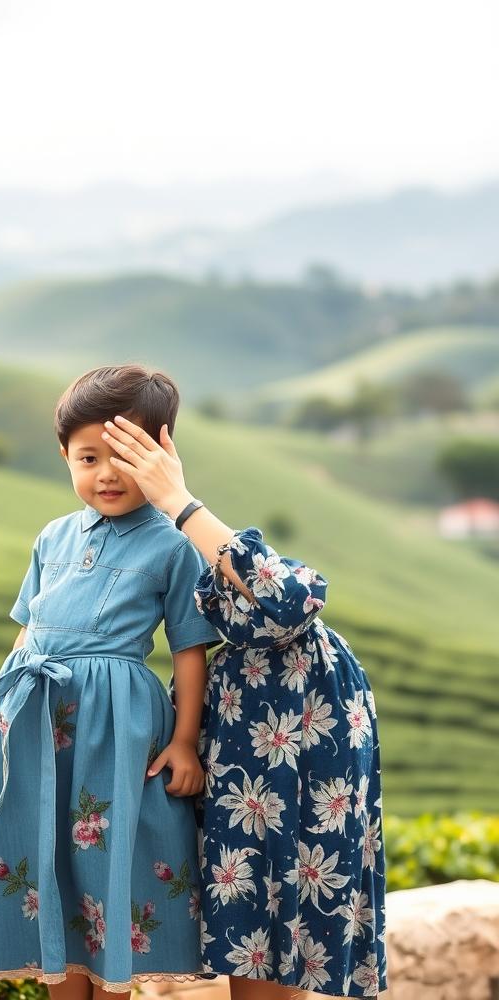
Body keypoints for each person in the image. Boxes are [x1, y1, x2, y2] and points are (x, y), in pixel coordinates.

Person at [0, 365, 222, 998]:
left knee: (103, 866)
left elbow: (188, 650)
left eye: (125, 456)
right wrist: (3, 721)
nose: (106, 474)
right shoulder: (52, 536)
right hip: (35, 719)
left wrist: (184, 742)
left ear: (161, 455)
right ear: (65, 458)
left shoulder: (173, 546)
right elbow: (27, 631)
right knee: (44, 864)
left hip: (114, 727)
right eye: (88, 457)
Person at [99, 413, 388, 999]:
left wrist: (179, 500)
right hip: (240, 756)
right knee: (246, 935)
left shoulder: (280, 598)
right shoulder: (193, 585)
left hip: (310, 758)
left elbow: (287, 600)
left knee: (295, 929)